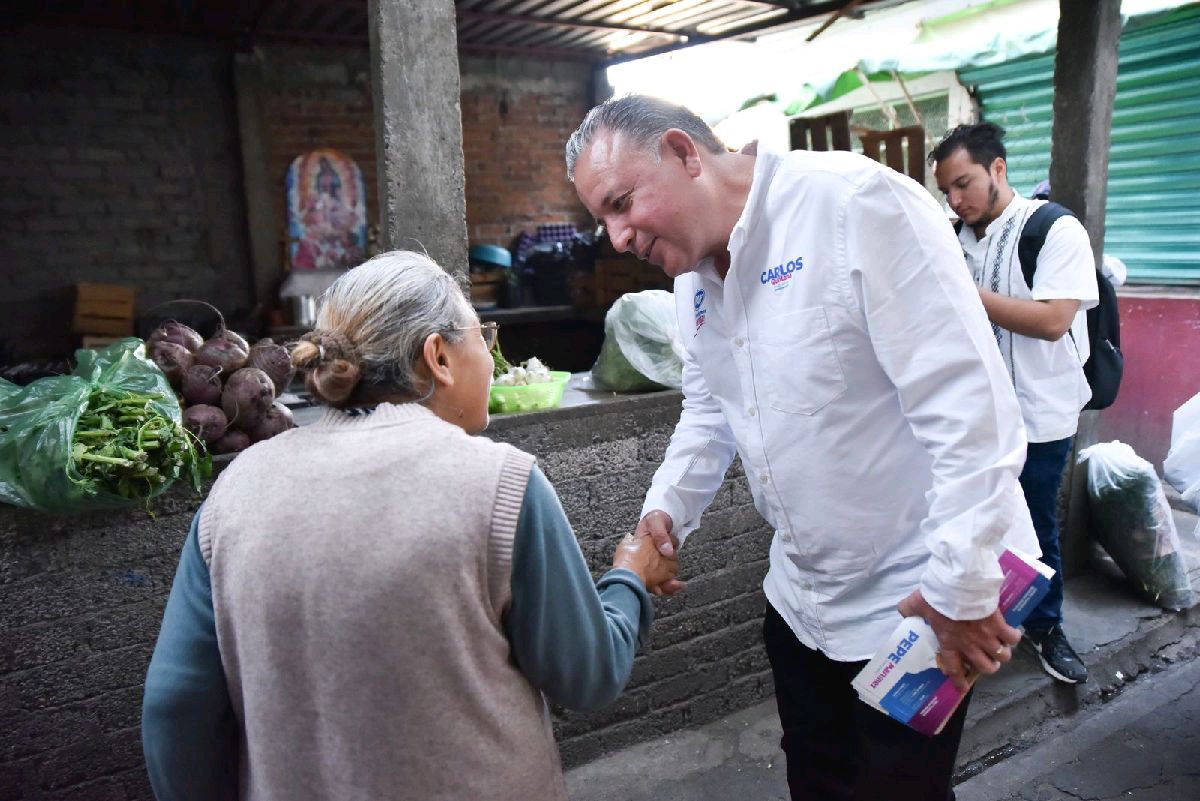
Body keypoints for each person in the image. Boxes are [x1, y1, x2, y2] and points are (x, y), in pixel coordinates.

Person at [565, 94, 1039, 801]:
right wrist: (666, 511)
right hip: (800, 607)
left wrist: (962, 586)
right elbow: (708, 408)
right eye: (602, 219)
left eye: (621, 203)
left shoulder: (853, 207)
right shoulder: (693, 282)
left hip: (914, 604)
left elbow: (970, 409)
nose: (616, 237)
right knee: (818, 785)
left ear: (684, 152)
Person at [141, 251, 677, 801]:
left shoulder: (234, 490)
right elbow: (587, 674)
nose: (490, 359)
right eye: (483, 338)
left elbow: (174, 705)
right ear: (438, 356)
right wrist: (629, 577)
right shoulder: (502, 485)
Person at [932, 123, 1098, 685]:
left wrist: (964, 294)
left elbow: (1054, 321)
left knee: (1035, 527)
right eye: (947, 192)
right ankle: (987, 628)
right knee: (977, 524)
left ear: (998, 169)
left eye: (964, 184)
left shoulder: (1053, 230)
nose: (956, 200)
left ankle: (1047, 629)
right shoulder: (954, 237)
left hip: (1041, 415)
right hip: (975, 417)